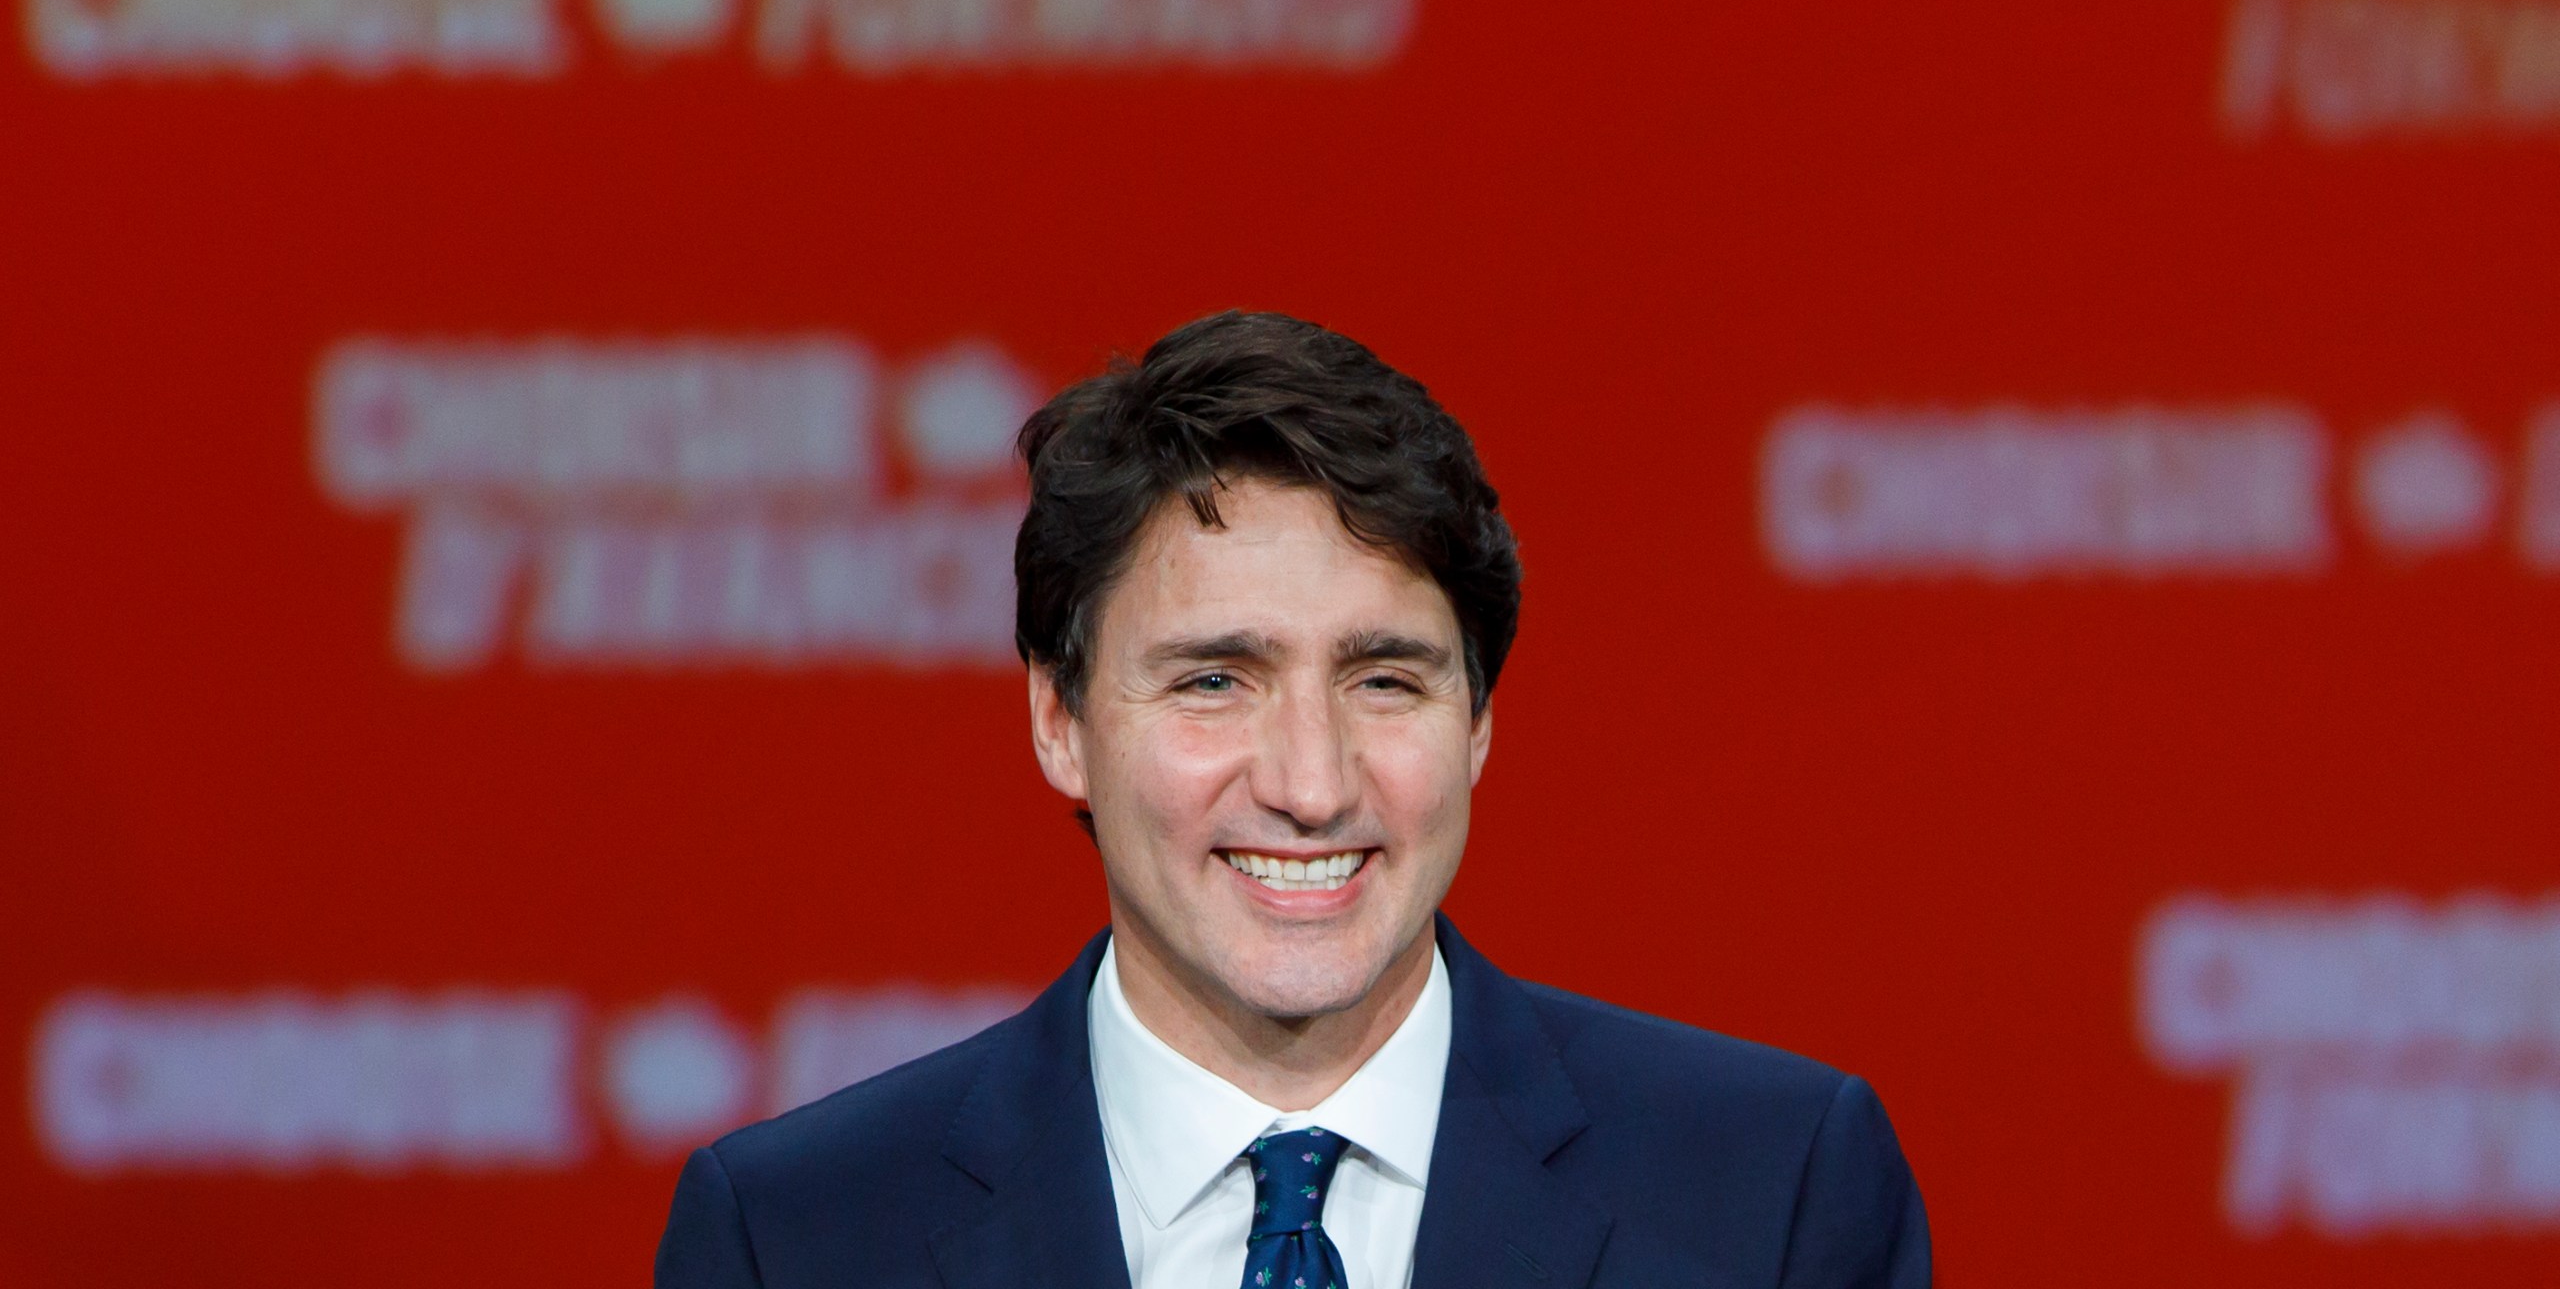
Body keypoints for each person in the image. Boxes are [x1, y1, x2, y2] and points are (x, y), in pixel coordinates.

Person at [654, 311, 1930, 1289]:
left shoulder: (1773, 1194)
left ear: (1478, 721)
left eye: (1385, 680)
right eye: (1215, 679)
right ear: (1060, 720)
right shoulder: (797, 1237)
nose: (1311, 785)